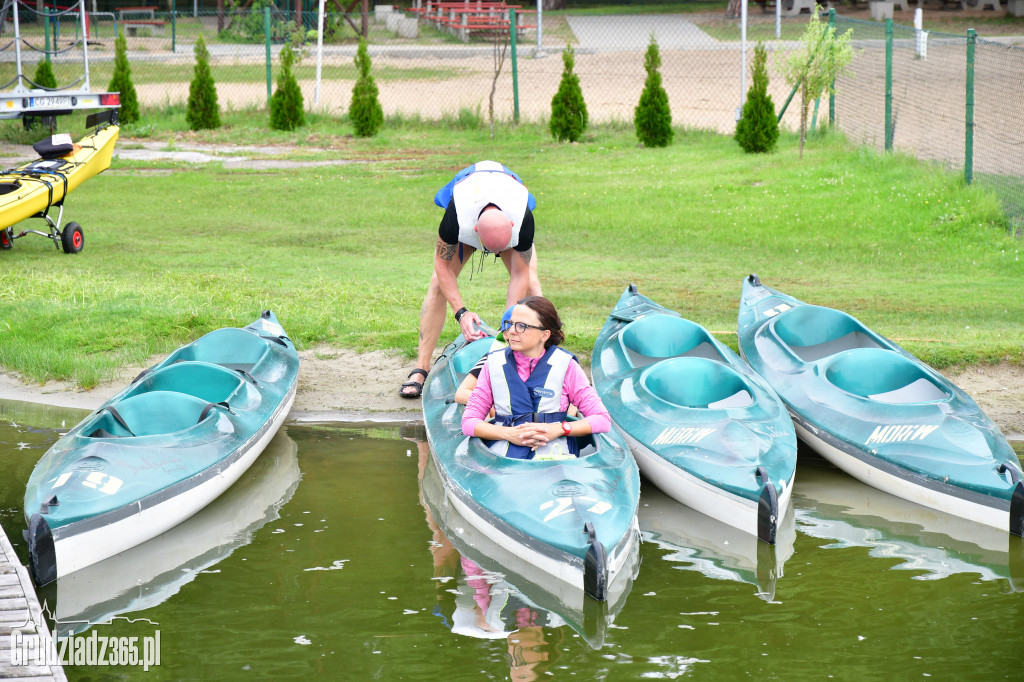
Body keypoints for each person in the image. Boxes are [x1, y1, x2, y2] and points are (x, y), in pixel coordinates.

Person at [399, 161, 543, 398]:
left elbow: (520, 274)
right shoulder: (456, 216)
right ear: (475, 231)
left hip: (506, 199)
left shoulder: (522, 217)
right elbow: (442, 266)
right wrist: (462, 313)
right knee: (437, 285)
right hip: (470, 192)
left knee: (532, 284)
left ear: (511, 226)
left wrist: (508, 324)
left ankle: (542, 361)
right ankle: (420, 369)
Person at [461, 296, 610, 460]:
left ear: (544, 335)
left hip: (557, 457)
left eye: (522, 326)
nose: (511, 331)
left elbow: (602, 419)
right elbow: (469, 422)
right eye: (510, 324)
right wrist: (508, 434)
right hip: (503, 458)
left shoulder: (566, 366)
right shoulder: (492, 363)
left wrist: (560, 429)